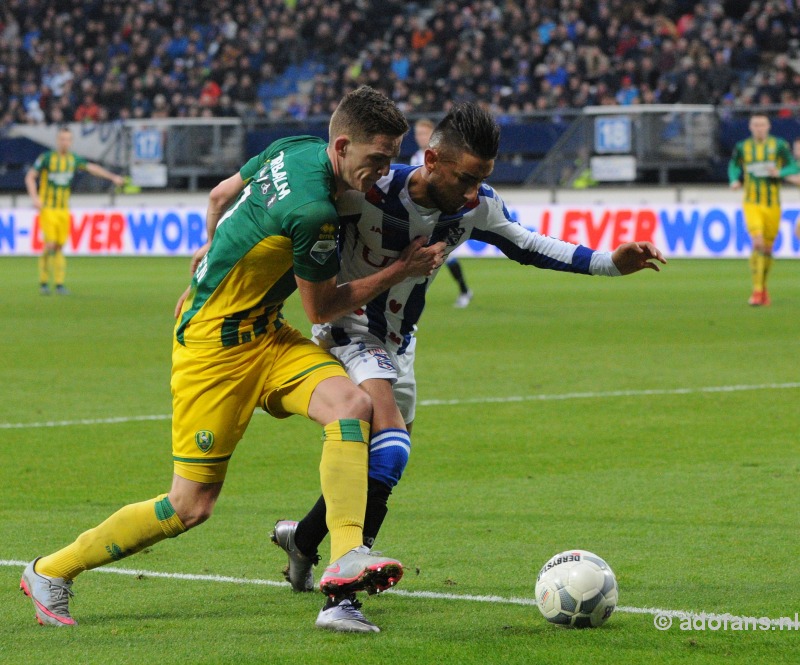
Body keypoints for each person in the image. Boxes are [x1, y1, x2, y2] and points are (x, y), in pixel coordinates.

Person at [19, 86, 446, 629]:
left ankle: (345, 559)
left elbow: (221, 195)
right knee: (189, 506)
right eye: (377, 160)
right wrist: (399, 271)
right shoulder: (313, 210)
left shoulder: (294, 146)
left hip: (265, 334)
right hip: (213, 354)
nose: (384, 172)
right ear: (342, 146)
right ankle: (51, 570)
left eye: (390, 159)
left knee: (351, 404)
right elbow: (323, 307)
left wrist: (208, 261)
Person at [271, 103, 666, 632]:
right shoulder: (365, 191)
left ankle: (304, 539)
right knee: (390, 445)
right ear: (432, 159)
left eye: (483, 179)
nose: (474, 191)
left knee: (378, 470)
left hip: (398, 344)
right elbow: (290, 229)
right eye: (466, 178)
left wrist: (609, 263)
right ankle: (342, 600)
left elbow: (529, 245)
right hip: (348, 330)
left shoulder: (474, 207)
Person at [25, 126, 125, 295]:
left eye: (68, 139)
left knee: (58, 247)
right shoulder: (47, 158)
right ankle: (44, 282)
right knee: (50, 245)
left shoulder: (73, 160)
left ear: (71, 141)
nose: (65, 142)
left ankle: (58, 284)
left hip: (64, 210)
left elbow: (93, 168)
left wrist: (113, 177)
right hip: (48, 208)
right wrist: (35, 198)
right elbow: (30, 176)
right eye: (62, 139)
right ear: (58, 140)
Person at [728, 113, 799, 306]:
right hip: (752, 202)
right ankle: (757, 291)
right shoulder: (743, 147)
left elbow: (793, 167)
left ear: (768, 126)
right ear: (750, 127)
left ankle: (763, 287)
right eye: (755, 125)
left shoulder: (779, 145)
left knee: (767, 248)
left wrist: (780, 172)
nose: (759, 128)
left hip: (773, 204)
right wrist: (734, 179)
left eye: (762, 124)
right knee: (758, 243)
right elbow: (733, 166)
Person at [411, 117, 473, 308]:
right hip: (422, 215)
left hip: (442, 213)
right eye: (418, 134)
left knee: (446, 256)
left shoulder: (442, 155)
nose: (421, 137)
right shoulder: (415, 157)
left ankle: (464, 290)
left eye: (424, 133)